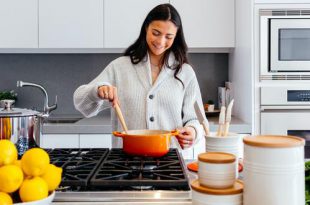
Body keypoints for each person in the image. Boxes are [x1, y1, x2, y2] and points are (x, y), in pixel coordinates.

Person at [73, 3, 207, 151]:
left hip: (171, 163)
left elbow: (196, 119)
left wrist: (193, 131)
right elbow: (81, 103)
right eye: (156, 33)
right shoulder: (120, 67)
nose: (161, 42)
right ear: (146, 29)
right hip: (126, 162)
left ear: (176, 37)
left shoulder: (185, 72)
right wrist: (97, 91)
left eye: (168, 37)